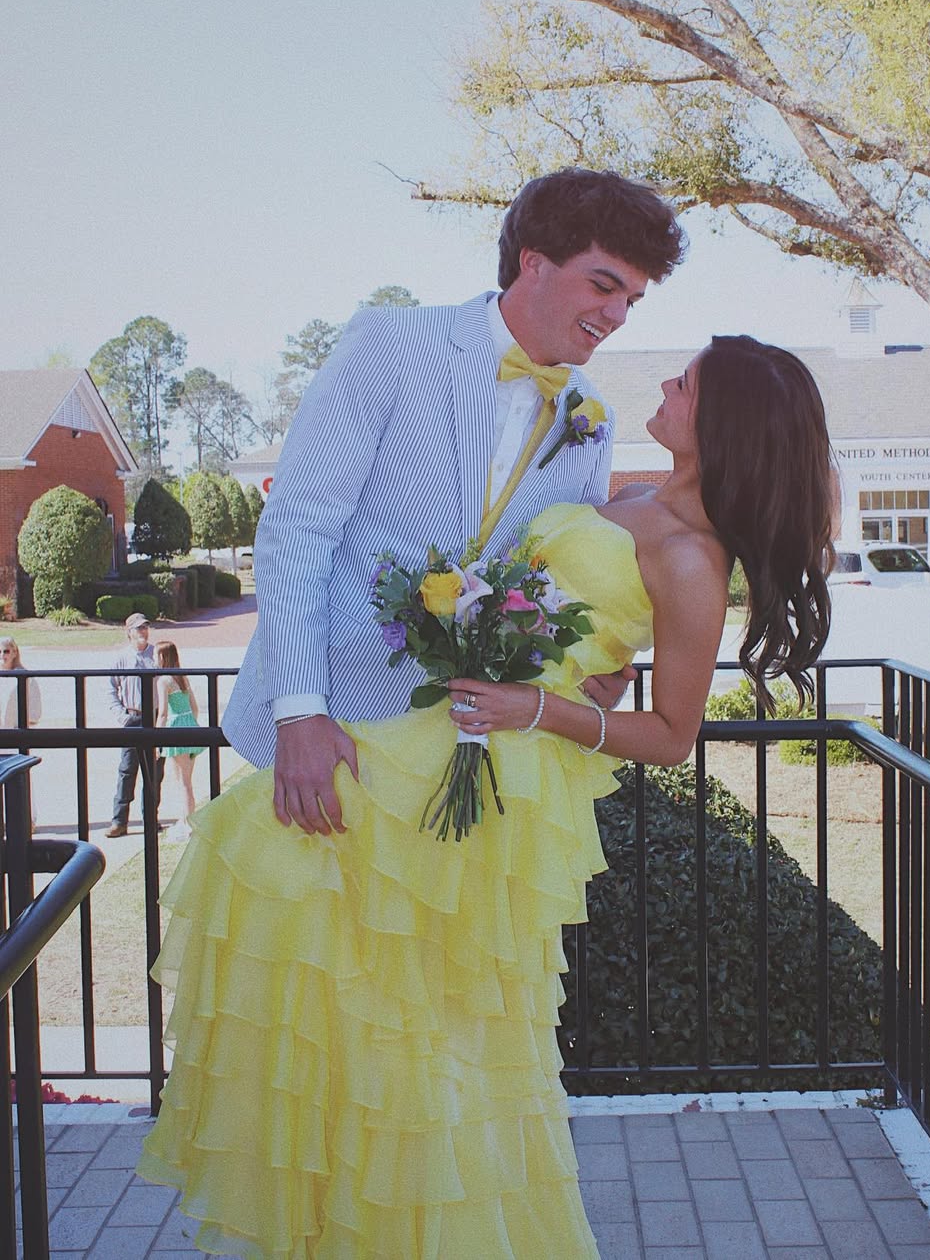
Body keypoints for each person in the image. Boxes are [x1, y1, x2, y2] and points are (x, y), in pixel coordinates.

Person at [137, 335, 836, 1258]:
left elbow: (674, 735)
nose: (667, 385)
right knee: (354, 961)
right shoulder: (631, 493)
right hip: (452, 734)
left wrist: (540, 705)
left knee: (435, 1017)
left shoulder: (694, 562)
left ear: (726, 424)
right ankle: (353, 1212)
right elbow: (586, 633)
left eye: (688, 383)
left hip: (509, 775)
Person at [220, 167, 687, 837]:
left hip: (472, 760)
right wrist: (299, 712)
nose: (617, 317)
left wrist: (600, 664)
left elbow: (558, 574)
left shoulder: (593, 417)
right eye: (604, 286)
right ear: (533, 262)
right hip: (331, 734)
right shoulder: (390, 344)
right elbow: (297, 531)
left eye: (632, 301)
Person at [105, 612, 164, 838]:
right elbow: (110, 689)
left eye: (145, 627)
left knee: (154, 772)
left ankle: (150, 819)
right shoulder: (122, 658)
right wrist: (122, 716)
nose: (143, 632)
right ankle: (119, 821)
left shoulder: (156, 654)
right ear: (129, 632)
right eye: (139, 628)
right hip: (132, 717)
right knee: (127, 771)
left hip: (155, 717)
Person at [153, 641, 202, 844]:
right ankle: (186, 819)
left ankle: (188, 823)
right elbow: (195, 707)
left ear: (162, 657)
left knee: (182, 782)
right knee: (187, 780)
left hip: (175, 727)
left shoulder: (163, 681)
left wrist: (156, 739)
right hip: (190, 724)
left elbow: (163, 712)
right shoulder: (182, 677)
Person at [0, 636, 42, 731]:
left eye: (6, 651)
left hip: (16, 734)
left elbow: (35, 714)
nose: (2, 655)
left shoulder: (26, 678)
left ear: (14, 653)